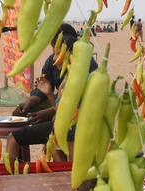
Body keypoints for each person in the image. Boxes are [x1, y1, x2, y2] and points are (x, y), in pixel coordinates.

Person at [7, 24, 95, 161]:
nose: (53, 54)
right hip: (64, 114)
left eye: (55, 48)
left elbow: (69, 107)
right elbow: (43, 91)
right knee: (25, 111)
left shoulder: (82, 70)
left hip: (77, 119)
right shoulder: (55, 63)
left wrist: (49, 106)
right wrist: (30, 103)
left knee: (51, 138)